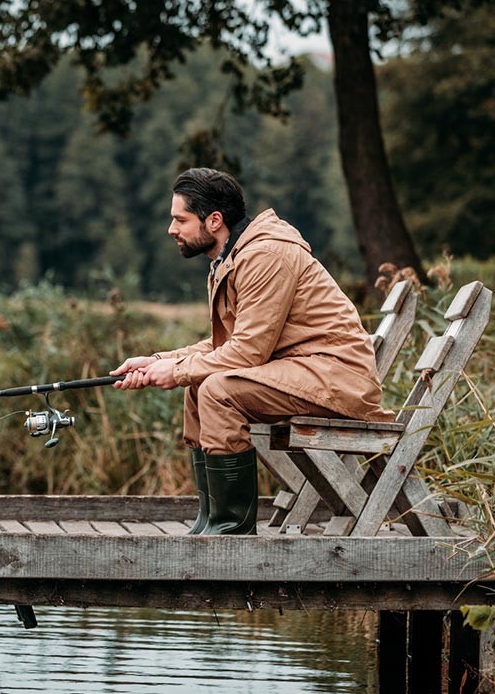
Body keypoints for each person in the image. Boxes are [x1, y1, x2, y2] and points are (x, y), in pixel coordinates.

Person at [110, 168, 390, 535]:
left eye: (180, 219)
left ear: (214, 220)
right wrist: (162, 361)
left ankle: (232, 531)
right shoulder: (231, 258)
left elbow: (246, 354)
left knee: (216, 389)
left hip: (336, 377)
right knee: (198, 387)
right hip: (301, 370)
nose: (171, 229)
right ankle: (210, 520)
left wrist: (177, 372)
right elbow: (228, 344)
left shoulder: (266, 256)